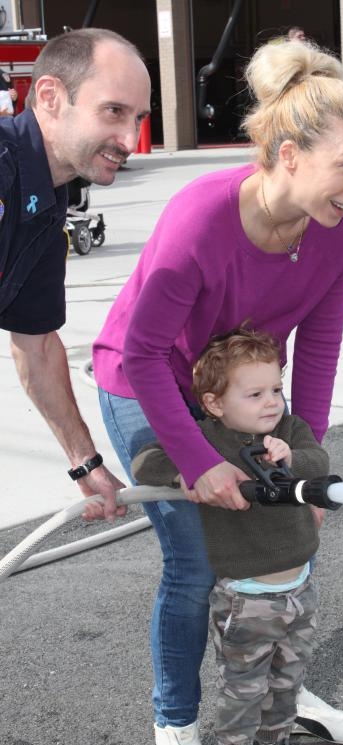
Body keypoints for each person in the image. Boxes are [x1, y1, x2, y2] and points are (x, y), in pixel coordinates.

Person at [93, 38, 343, 745]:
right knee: (195, 564)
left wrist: (305, 466)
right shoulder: (200, 219)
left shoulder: (338, 230)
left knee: (288, 534)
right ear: (289, 156)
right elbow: (148, 353)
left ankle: (276, 706)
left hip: (243, 387)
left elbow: (316, 351)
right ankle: (177, 728)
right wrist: (197, 460)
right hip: (142, 379)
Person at [132, 328, 331, 745]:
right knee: (244, 688)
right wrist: (190, 470)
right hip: (247, 598)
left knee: (288, 678)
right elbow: (144, 461)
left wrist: (292, 457)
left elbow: (317, 460)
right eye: (255, 393)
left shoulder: (288, 431)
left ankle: (273, 743)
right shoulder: (206, 440)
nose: (271, 402)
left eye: (276, 389)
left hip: (300, 587)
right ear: (216, 403)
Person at [0, 29, 151, 522]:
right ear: (49, 97)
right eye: (113, 112)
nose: (130, 140)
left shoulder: (49, 200)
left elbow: (37, 343)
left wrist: (84, 462)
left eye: (138, 119)